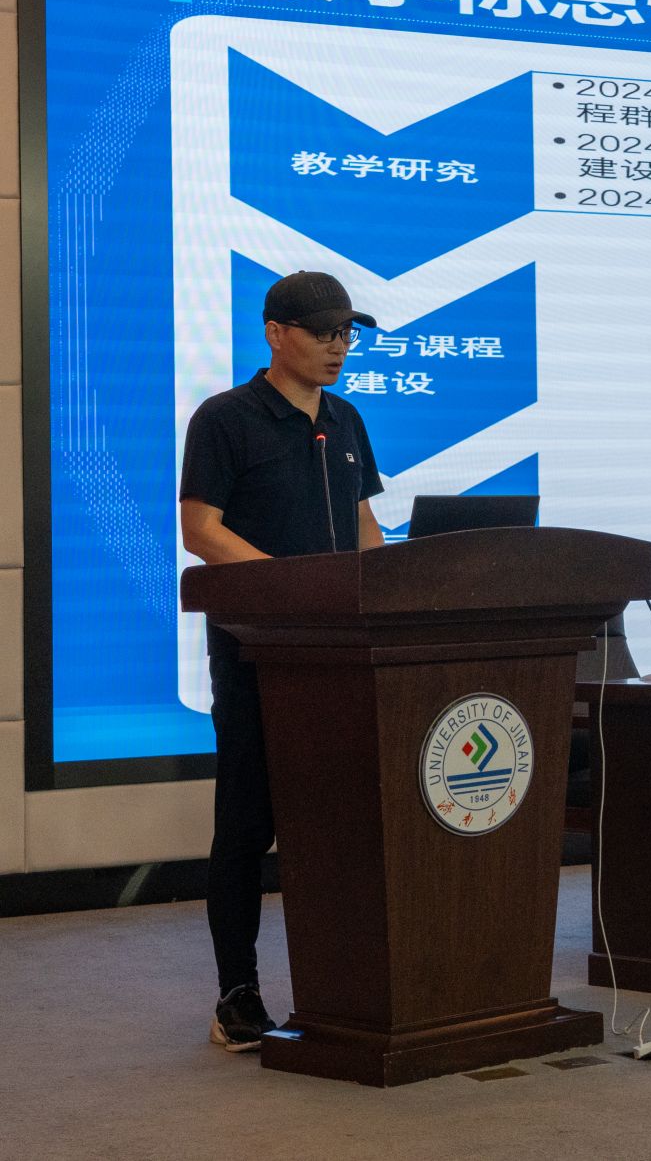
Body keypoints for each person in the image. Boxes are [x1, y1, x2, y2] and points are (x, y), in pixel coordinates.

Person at [178, 271, 385, 1052]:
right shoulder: (226, 418)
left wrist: (395, 587)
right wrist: (289, 589)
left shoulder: (346, 420)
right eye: (324, 331)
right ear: (275, 332)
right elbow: (202, 529)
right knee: (246, 824)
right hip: (257, 654)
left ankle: (353, 985)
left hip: (344, 658)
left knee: (344, 821)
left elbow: (364, 526)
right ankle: (237, 993)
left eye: (347, 333)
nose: (339, 346)